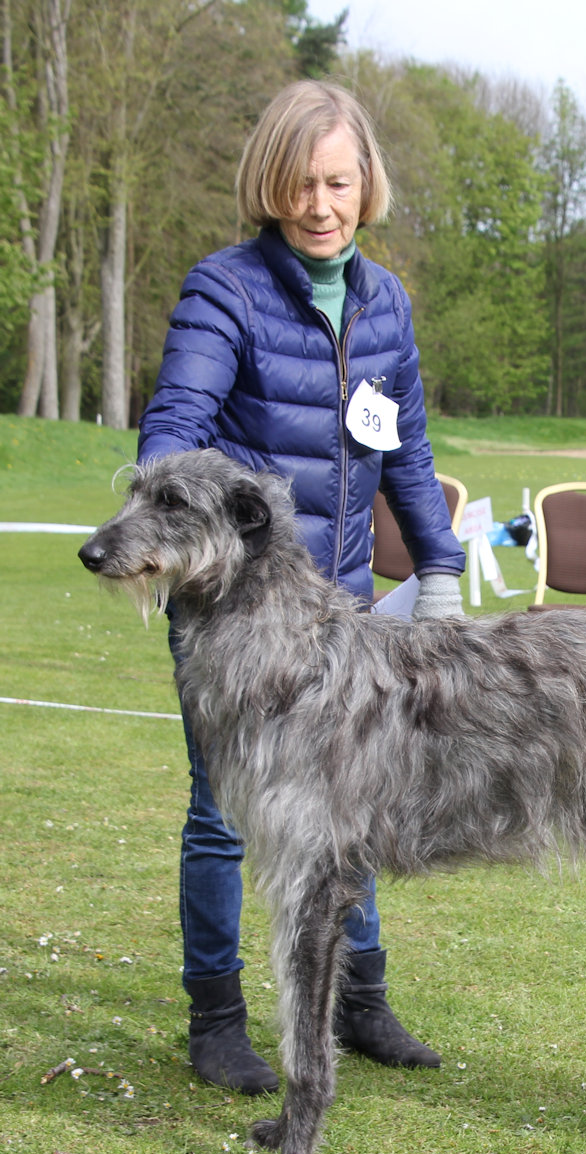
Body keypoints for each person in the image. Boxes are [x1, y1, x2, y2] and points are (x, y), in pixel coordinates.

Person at [138, 80, 466, 1093]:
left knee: (351, 807)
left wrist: (442, 565)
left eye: (338, 180)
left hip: (348, 612)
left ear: (366, 181)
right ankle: (217, 1016)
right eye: (299, 184)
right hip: (238, 617)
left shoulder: (386, 301)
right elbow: (171, 435)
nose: (319, 205)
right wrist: (225, 528)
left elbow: (404, 453)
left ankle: (359, 1001)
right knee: (220, 815)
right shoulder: (224, 289)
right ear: (268, 185)